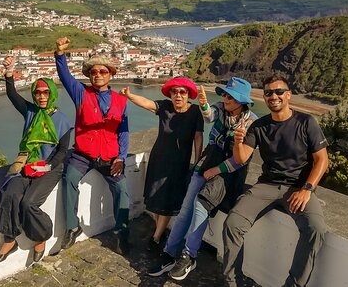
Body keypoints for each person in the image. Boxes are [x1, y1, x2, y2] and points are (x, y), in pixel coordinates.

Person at [222, 75, 329, 287]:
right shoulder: (259, 126)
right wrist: (237, 141)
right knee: (233, 223)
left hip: (299, 188)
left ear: (288, 95)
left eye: (279, 91)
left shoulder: (306, 122)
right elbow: (242, 158)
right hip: (267, 185)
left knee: (315, 229)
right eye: (269, 93)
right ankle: (233, 281)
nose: (274, 96)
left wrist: (307, 189)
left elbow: (322, 160)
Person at [148, 77, 258, 281]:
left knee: (201, 204)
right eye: (224, 94)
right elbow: (209, 116)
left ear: (241, 100)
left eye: (229, 96)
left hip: (227, 170)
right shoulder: (220, 108)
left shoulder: (252, 123)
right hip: (207, 160)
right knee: (185, 209)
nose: (224, 98)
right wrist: (204, 103)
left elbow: (241, 160)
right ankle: (169, 253)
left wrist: (216, 170)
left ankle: (189, 255)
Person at [0, 55, 73, 264]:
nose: (42, 96)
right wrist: (9, 72)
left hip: (50, 167)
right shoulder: (30, 112)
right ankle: (10, 240)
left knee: (29, 203)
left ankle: (40, 236)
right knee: (9, 194)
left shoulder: (62, 119)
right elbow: (12, 94)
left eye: (46, 92)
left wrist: (47, 166)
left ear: (52, 94)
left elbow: (63, 151)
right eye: (38, 92)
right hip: (26, 163)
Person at [54, 37, 131, 255]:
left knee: (122, 190)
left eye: (102, 71)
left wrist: (121, 157)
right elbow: (65, 76)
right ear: (89, 75)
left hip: (109, 156)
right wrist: (60, 55)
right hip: (83, 155)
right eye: (93, 72)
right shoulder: (81, 93)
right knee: (69, 179)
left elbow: (123, 131)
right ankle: (72, 226)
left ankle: (121, 234)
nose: (97, 74)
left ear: (111, 74)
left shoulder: (120, 101)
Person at [120, 77, 204, 251]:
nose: (178, 95)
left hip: (179, 163)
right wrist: (129, 95)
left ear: (188, 94)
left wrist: (197, 161)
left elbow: (198, 137)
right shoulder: (165, 107)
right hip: (159, 159)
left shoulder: (195, 112)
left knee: (168, 201)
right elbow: (146, 103)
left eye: (182, 92)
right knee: (157, 197)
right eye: (174, 92)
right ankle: (160, 230)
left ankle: (156, 237)